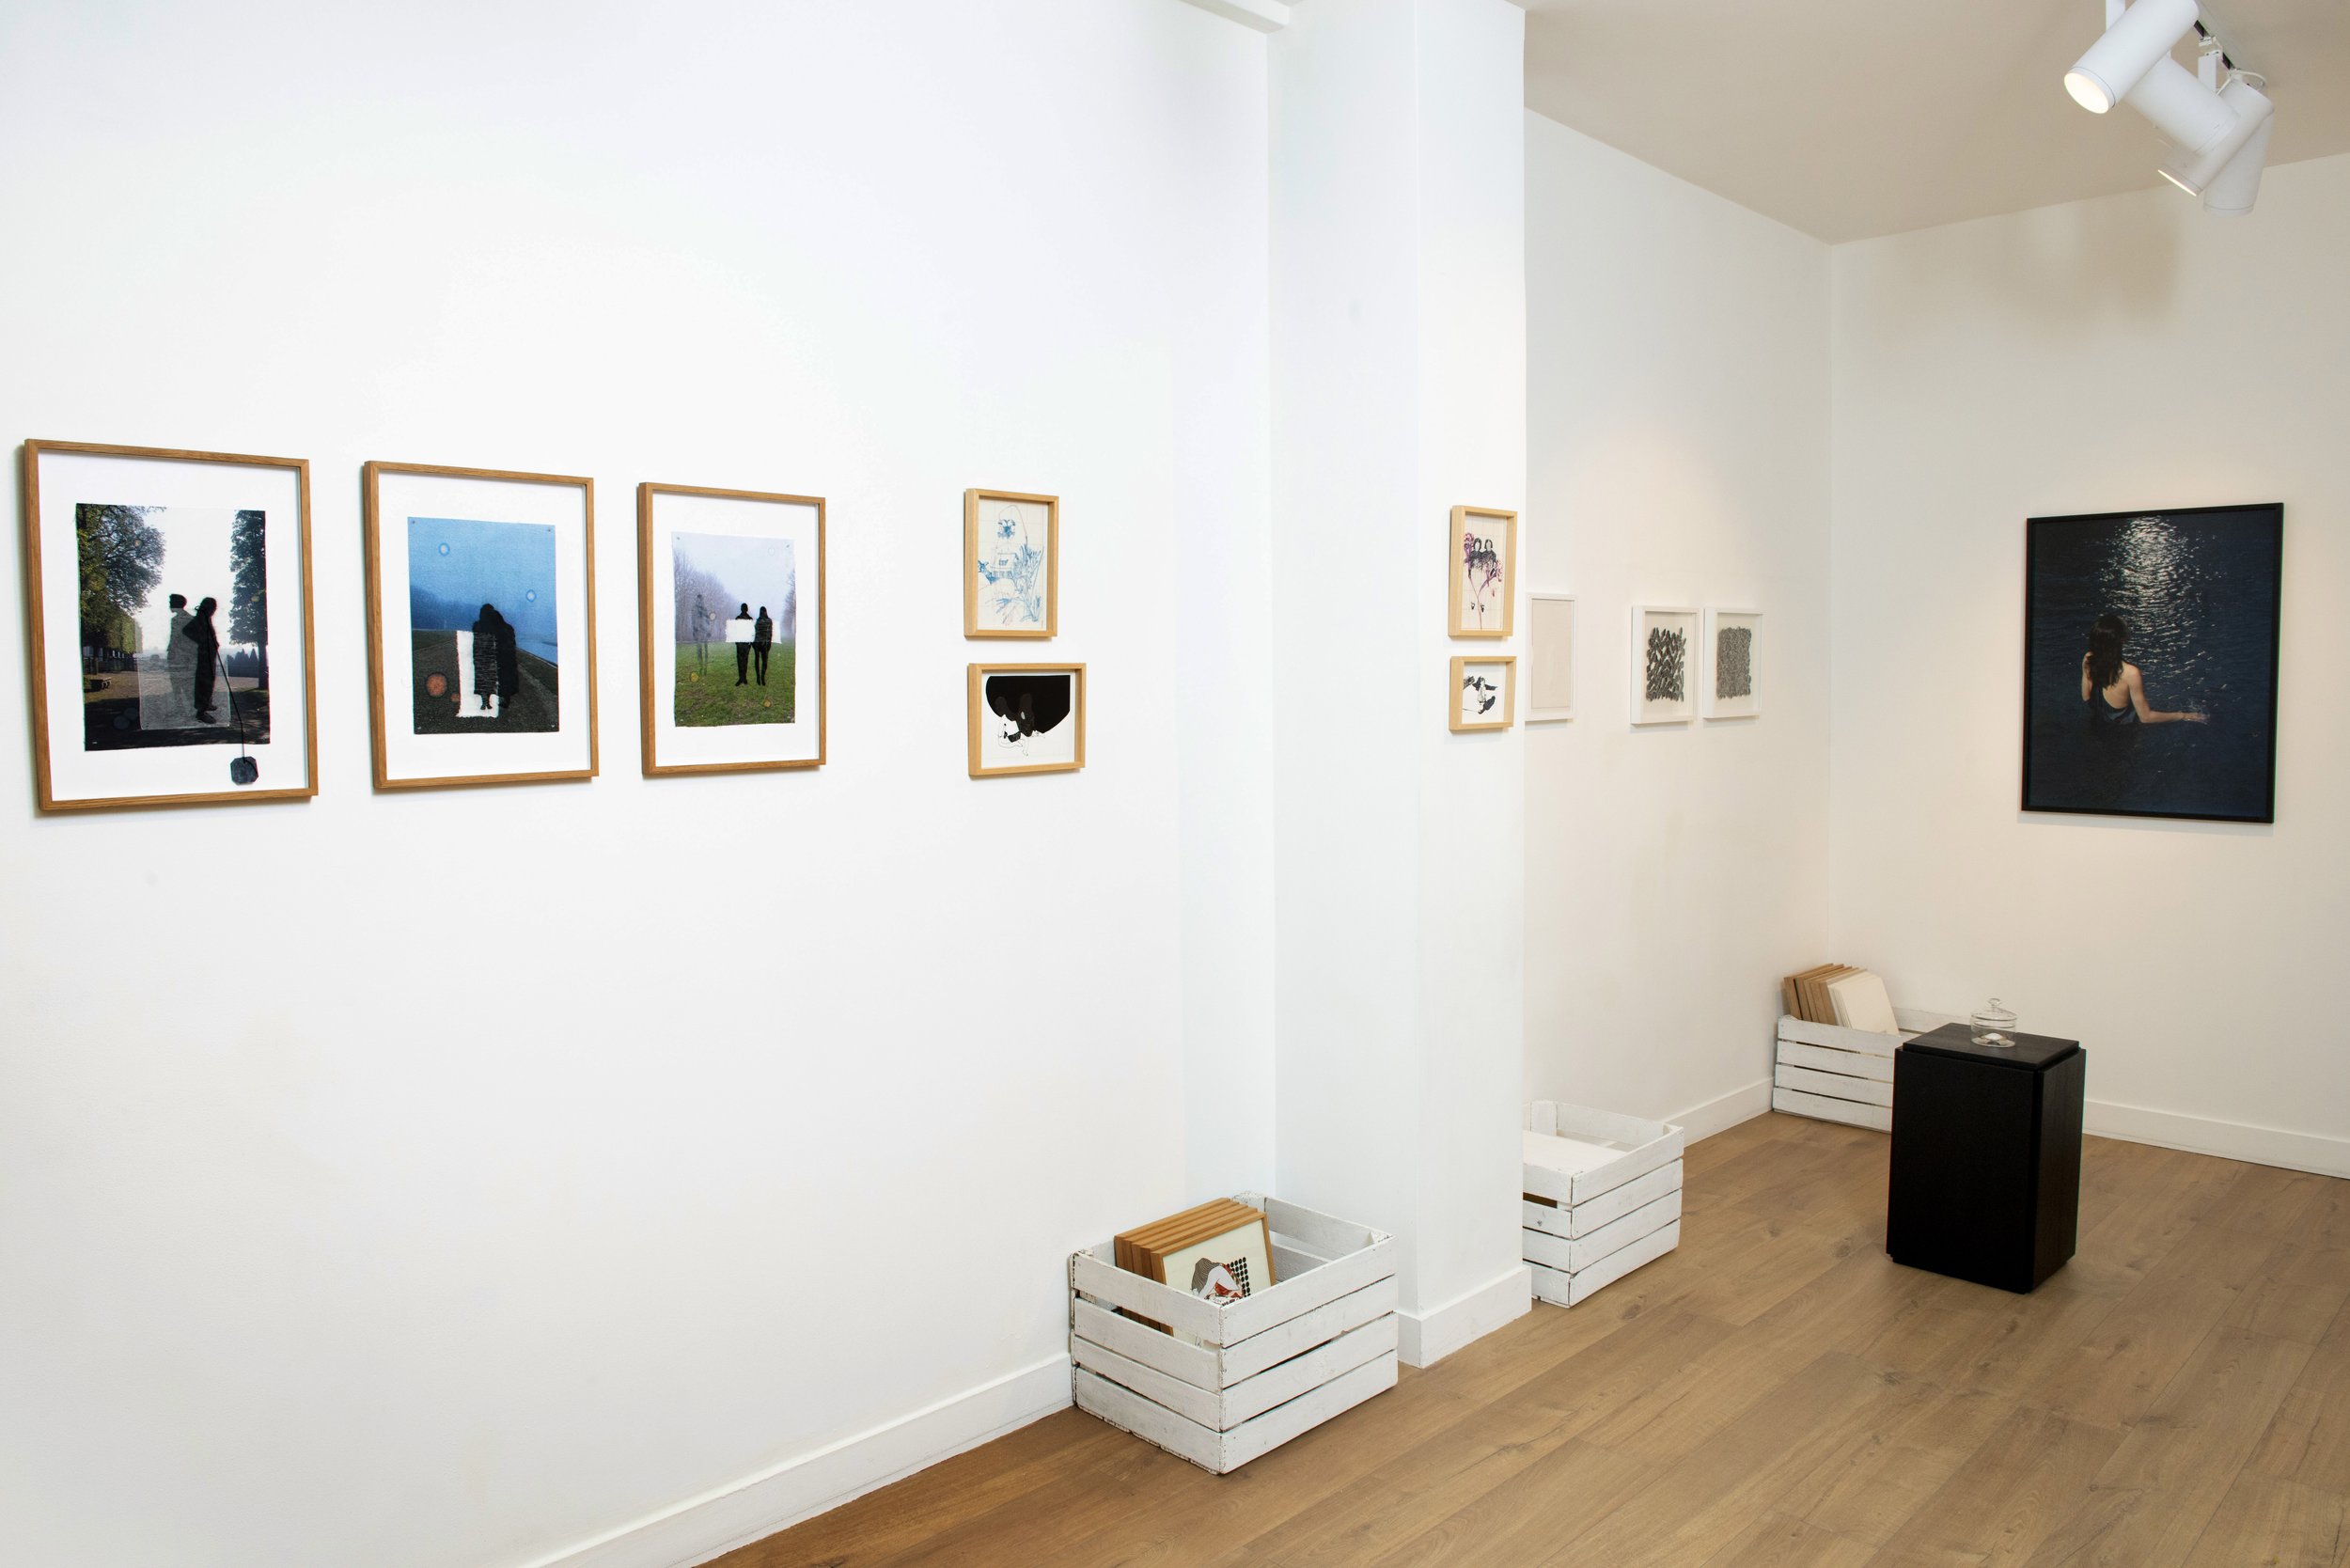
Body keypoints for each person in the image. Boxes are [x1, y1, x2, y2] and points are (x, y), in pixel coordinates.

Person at [2082, 613, 2206, 727]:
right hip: (2123, 736)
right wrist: (2184, 716)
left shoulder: (2088, 658)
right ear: (2122, 639)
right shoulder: (2130, 673)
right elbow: (2146, 717)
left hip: (2096, 725)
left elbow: (2086, 696)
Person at [187, 596, 221, 723]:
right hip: (204, 657)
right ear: (209, 607)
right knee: (204, 683)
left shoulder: (205, 617)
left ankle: (207, 704)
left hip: (208, 656)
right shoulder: (201, 618)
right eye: (214, 608)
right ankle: (201, 712)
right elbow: (188, 631)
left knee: (209, 680)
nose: (215, 611)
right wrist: (203, 643)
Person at [164, 592, 196, 722]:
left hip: (182, 657)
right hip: (180, 657)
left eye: (171, 603)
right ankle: (186, 709)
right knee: (181, 685)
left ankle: (186, 709)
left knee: (182, 685)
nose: (169, 606)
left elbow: (178, 640)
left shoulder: (180, 620)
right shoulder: (190, 619)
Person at [471, 604, 506, 713]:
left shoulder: (477, 625)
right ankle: (486, 702)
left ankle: (485, 702)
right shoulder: (492, 626)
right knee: (489, 680)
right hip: (488, 656)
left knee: (483, 680)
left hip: (482, 656)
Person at [753, 604, 773, 686]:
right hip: (764, 643)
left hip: (757, 643)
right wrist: (769, 644)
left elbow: (756, 632)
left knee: (757, 660)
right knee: (764, 661)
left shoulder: (758, 621)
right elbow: (770, 633)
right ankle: (762, 677)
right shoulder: (769, 621)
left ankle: (758, 677)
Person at [734, 602, 753, 685]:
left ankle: (741, 678)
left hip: (741, 643)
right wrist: (750, 644)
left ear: (741, 609)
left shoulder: (738, 618)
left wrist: (737, 642)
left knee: (740, 661)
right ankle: (743, 678)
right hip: (745, 644)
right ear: (747, 609)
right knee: (745, 661)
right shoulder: (750, 619)